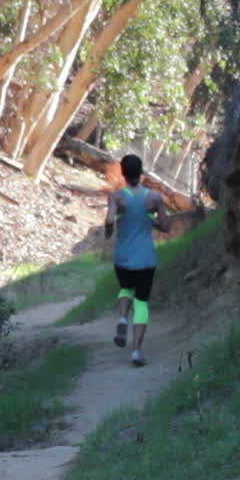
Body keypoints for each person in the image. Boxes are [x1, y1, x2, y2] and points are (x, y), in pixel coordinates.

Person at [104, 154, 169, 366]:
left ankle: (123, 317)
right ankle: (136, 352)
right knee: (141, 303)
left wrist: (108, 230)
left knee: (126, 288)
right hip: (146, 258)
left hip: (123, 256)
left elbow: (109, 220)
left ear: (122, 172)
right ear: (141, 173)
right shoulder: (155, 198)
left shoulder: (116, 197)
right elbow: (166, 227)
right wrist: (150, 219)